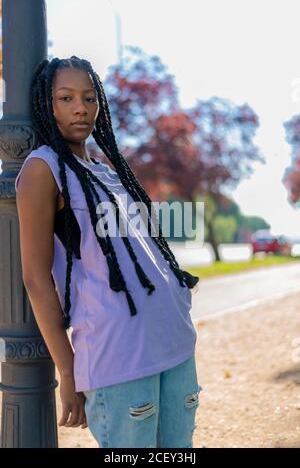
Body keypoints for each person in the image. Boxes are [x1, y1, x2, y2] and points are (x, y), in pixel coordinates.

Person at [15, 56, 202, 448]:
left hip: (174, 342)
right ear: (45, 105)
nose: (80, 107)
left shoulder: (108, 169)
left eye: (88, 97)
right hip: (117, 355)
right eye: (65, 98)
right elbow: (35, 277)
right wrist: (67, 371)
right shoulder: (41, 169)